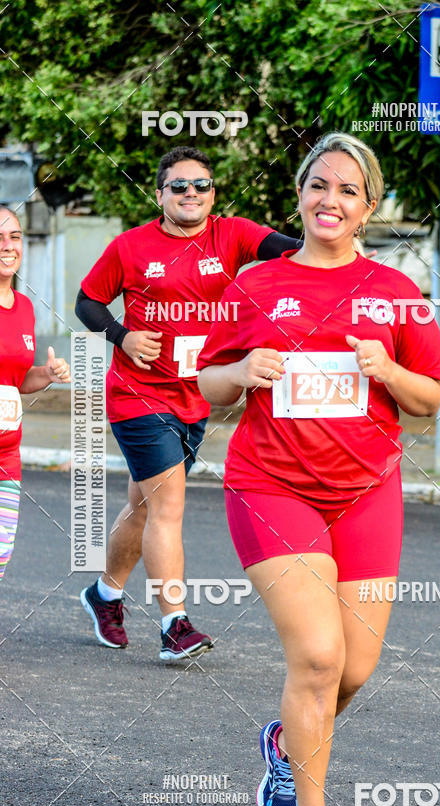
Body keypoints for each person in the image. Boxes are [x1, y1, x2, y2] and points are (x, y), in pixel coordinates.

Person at [197, 133, 440, 806]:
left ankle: (286, 745)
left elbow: (430, 399)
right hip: (272, 485)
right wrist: (244, 368)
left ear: (368, 206)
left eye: (347, 189)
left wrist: (388, 370)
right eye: (319, 185)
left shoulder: (395, 292)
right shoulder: (255, 285)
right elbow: (208, 387)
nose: (329, 200)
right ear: (300, 195)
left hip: (368, 492)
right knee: (316, 657)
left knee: (355, 668)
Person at [75, 146, 302, 661]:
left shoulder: (234, 234)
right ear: (160, 195)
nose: (190, 193)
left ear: (213, 194)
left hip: (195, 397)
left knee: (142, 507)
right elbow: (86, 301)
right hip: (138, 396)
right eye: (178, 186)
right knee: (169, 507)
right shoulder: (131, 247)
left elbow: (294, 250)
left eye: (200, 184)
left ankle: (104, 594)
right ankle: (175, 624)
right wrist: (121, 334)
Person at [0, 207, 71, 582]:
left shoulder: (25, 307)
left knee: (0, 553)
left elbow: (15, 378)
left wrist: (45, 374)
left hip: (7, 454)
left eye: (14, 237)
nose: (8, 246)